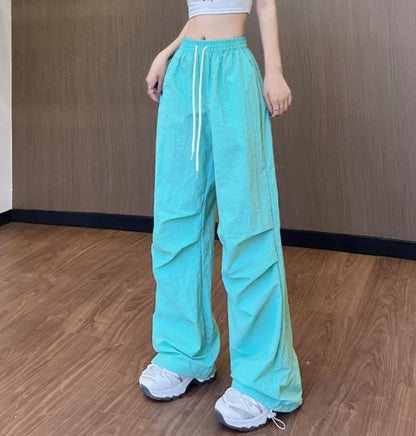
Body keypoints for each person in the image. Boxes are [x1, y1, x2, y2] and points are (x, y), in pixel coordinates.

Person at [139, 0, 303, 432]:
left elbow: (264, 3)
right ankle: (183, 353)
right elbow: (200, 15)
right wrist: (168, 51)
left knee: (247, 224)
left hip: (232, 72)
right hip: (185, 71)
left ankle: (264, 382)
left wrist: (274, 70)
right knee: (176, 220)